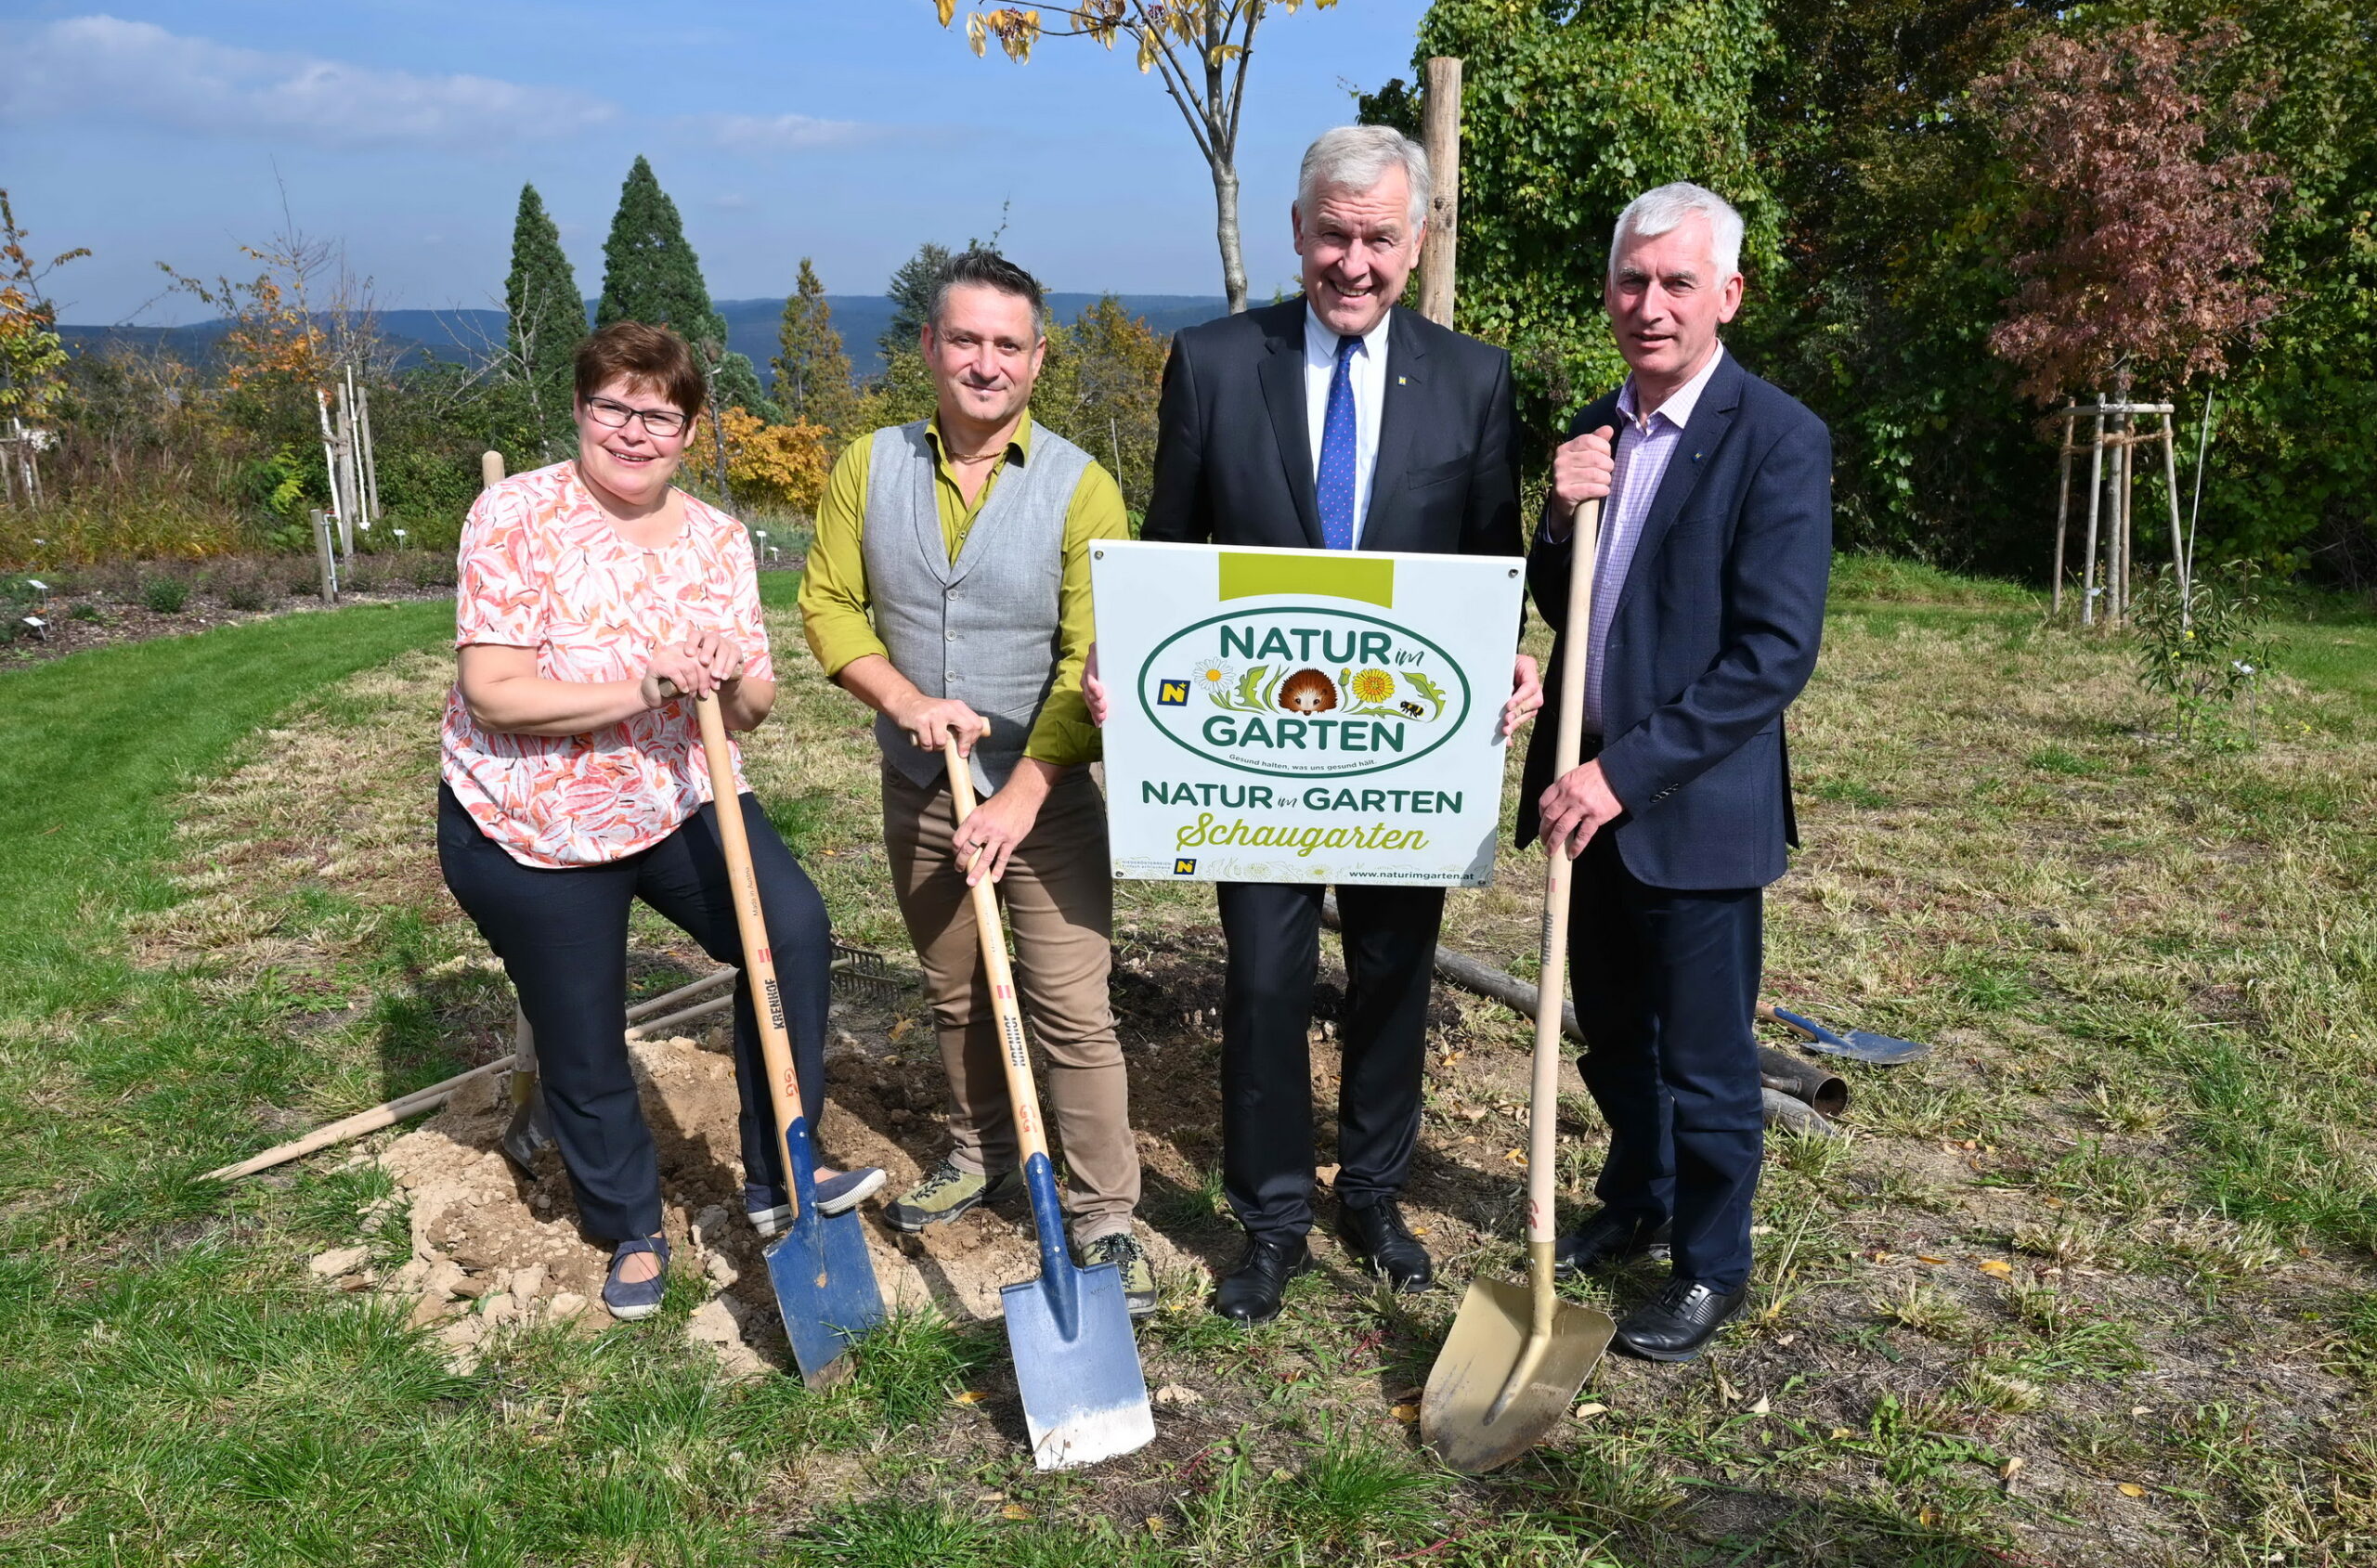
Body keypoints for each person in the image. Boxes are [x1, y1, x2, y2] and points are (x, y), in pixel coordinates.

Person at [1118, 125, 1539, 1326]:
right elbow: (1171, 549)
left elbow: (1487, 561)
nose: (1353, 262)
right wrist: (1138, 668)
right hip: (1253, 751)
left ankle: (1373, 1194)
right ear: (1297, 235)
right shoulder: (1211, 363)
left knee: (1393, 973)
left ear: (1417, 243)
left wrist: (1506, 657)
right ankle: (1267, 1220)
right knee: (1262, 980)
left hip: (1402, 747)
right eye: (1333, 236)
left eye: (1379, 239)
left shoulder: (1472, 378)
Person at [439, 321, 883, 1322]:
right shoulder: (514, 516)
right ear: (581, 408)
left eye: (661, 416)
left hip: (679, 795)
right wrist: (642, 684)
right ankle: (629, 1224)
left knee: (790, 936)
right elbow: (498, 691)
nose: (635, 433)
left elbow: (754, 702)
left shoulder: (718, 539)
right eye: (615, 408)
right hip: (531, 816)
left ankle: (782, 1177)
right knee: (585, 1029)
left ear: (689, 429)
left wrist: (731, 686)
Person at [796, 251, 1157, 1315]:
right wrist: (904, 705)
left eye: (1008, 345)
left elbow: (1092, 657)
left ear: (1038, 361)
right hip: (919, 790)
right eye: (965, 340)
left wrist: (1023, 793)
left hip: (1040, 801)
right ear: (928, 348)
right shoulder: (868, 466)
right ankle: (979, 1147)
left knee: (1069, 1009)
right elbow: (829, 605)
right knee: (956, 991)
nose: (985, 364)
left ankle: (1103, 1218)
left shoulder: (1081, 486)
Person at [1518, 183, 1831, 1362]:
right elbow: (1574, 605)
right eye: (1632, 282)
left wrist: (1621, 772)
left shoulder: (1777, 438)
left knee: (1703, 1059)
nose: (1650, 305)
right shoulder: (1601, 427)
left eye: (1677, 283)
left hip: (1688, 810)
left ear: (1727, 296)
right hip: (1584, 799)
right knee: (1612, 1032)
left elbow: (1771, 656)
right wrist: (1555, 520)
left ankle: (1711, 1266)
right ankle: (1637, 1196)